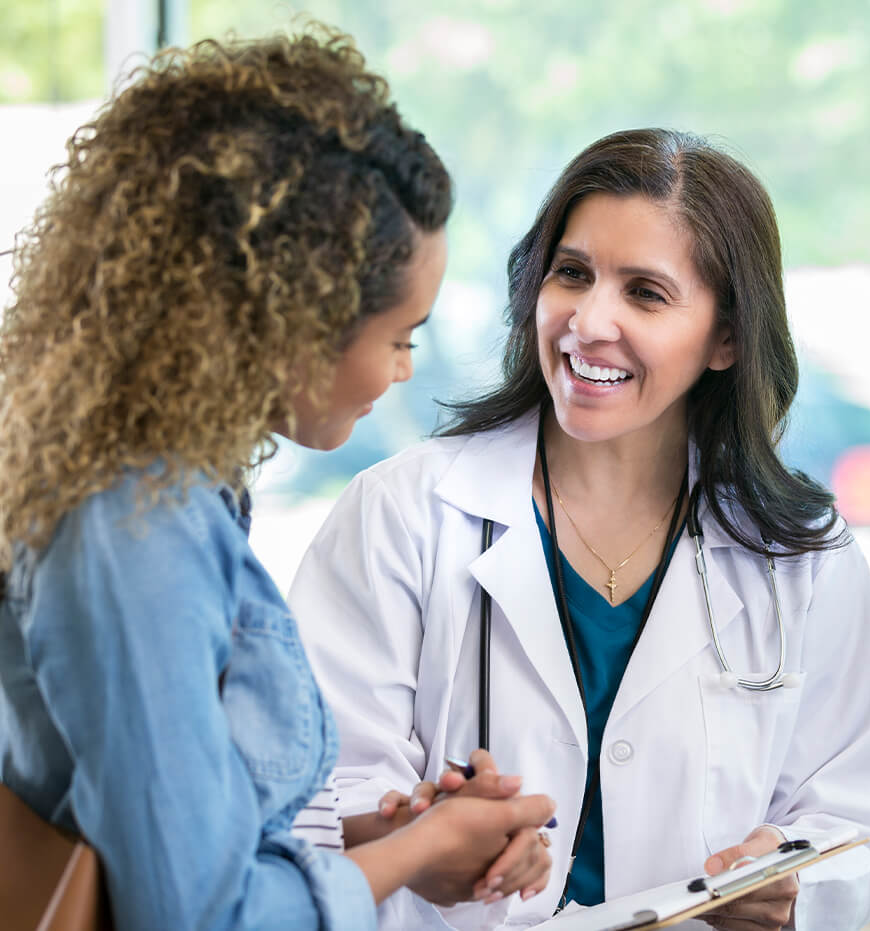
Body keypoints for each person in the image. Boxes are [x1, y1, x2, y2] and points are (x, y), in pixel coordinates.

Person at [289, 128, 870, 930]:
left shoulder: (800, 556)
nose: (589, 321)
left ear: (726, 337)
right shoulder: (403, 514)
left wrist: (792, 881)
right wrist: (421, 828)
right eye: (573, 273)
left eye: (645, 293)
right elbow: (312, 792)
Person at [0, 27, 556, 931]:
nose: (404, 371)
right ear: (294, 320)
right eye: (399, 337)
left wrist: (395, 840)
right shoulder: (132, 529)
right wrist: (414, 853)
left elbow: (183, 838)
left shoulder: (177, 498)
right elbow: (199, 913)